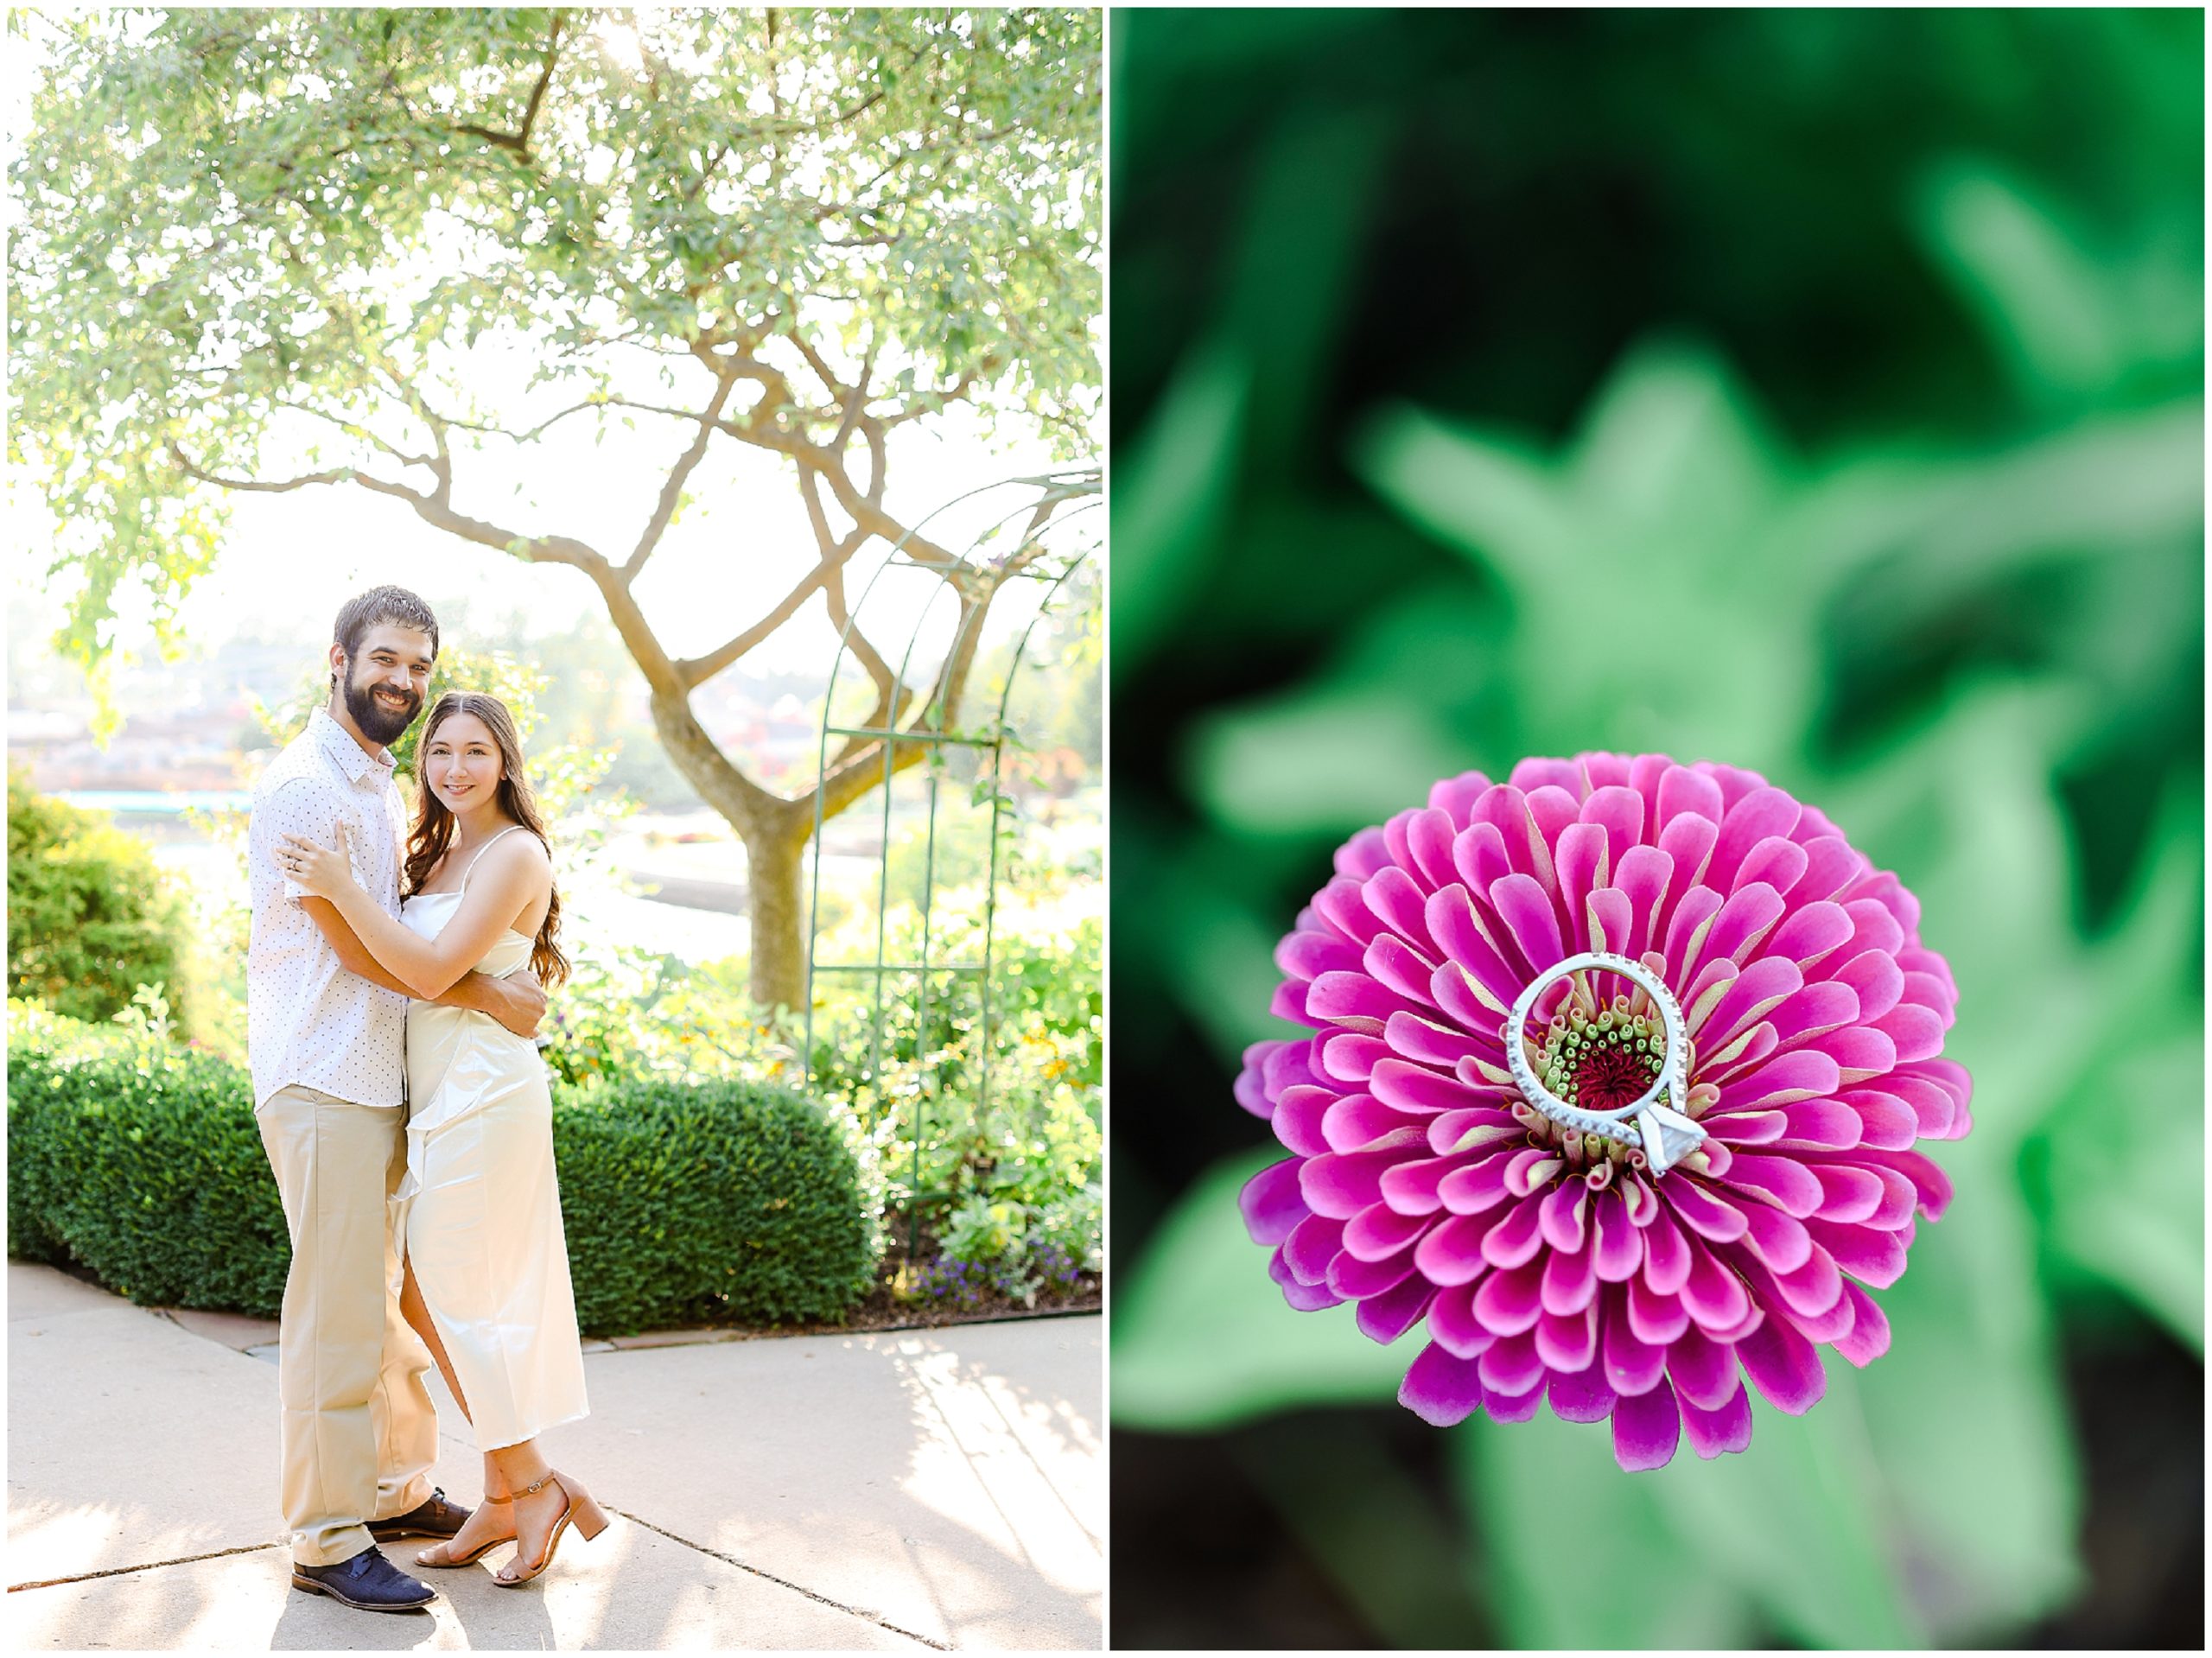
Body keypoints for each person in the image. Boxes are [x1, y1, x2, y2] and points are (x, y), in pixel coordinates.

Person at [247, 587, 546, 1613]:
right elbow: (349, 943)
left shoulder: (376, 780)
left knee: (384, 1310)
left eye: (420, 666)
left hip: (382, 1082)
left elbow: (402, 931)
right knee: (335, 1317)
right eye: (386, 659)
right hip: (325, 1073)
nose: (405, 683)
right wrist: (491, 992)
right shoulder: (303, 791)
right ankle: (326, 1535)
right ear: (336, 657)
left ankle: (393, 1487)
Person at [280, 689, 607, 1588]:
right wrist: (491, 993)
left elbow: (422, 967)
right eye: (440, 752)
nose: (455, 767)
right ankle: (509, 1492)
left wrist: (344, 885)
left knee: (456, 1294)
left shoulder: (512, 852)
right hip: (437, 1090)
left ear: (505, 761)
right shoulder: (437, 848)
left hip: (486, 1092)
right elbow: (377, 959)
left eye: (475, 751)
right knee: (428, 1299)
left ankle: (532, 1483)